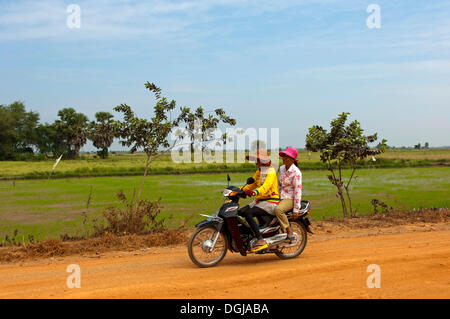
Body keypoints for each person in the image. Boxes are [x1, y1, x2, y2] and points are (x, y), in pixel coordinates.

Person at [239, 149, 280, 252]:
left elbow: (265, 187)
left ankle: (260, 239)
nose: (256, 162)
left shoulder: (271, 171)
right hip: (260, 201)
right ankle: (252, 233)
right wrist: (237, 190)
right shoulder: (259, 171)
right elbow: (251, 185)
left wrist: (254, 192)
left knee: (248, 213)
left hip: (270, 201)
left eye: (257, 160)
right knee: (241, 212)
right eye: (255, 160)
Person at [273, 147, 302, 242]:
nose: (284, 158)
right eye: (284, 156)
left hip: (290, 198)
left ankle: (289, 230)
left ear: (293, 159)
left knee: (278, 210)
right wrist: (275, 196)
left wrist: (296, 209)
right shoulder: (281, 169)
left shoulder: (296, 172)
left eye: (287, 156)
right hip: (280, 196)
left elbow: (297, 191)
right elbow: (279, 185)